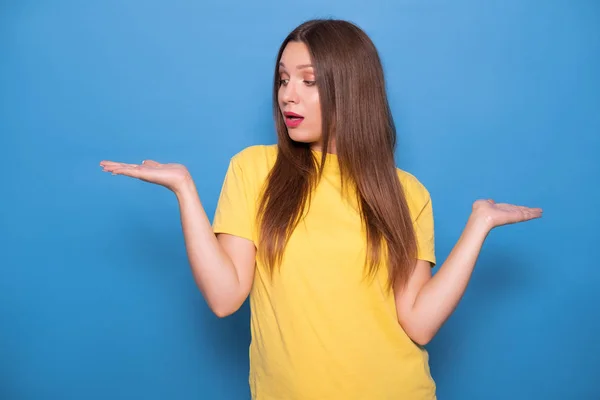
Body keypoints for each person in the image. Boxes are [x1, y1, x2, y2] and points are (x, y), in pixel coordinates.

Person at [100, 18, 542, 400]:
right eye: (283, 78)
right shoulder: (255, 169)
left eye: (308, 81)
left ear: (350, 89)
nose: (288, 95)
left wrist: (478, 226)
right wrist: (185, 189)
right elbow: (224, 296)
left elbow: (419, 323)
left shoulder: (405, 193)